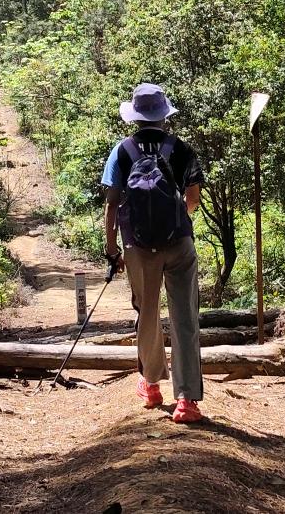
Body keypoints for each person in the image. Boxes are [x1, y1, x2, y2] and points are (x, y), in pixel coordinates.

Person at [101, 82, 205, 424]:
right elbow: (193, 199)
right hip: (180, 245)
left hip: (138, 246)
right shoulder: (182, 149)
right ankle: (187, 400)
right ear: (164, 116)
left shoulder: (122, 150)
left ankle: (151, 385)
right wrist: (177, 224)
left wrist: (112, 249)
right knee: (185, 318)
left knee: (147, 314)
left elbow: (112, 204)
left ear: (135, 116)